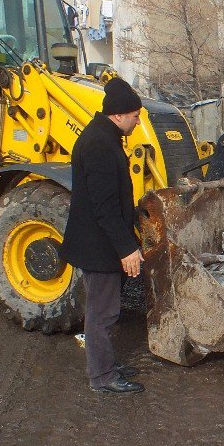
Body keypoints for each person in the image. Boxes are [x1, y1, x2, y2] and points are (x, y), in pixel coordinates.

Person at [61, 77, 146, 395]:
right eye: (136, 116)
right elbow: (103, 206)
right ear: (120, 114)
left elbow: (114, 198)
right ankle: (102, 376)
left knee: (104, 309)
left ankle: (105, 363)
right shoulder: (99, 144)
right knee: (102, 313)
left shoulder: (105, 137)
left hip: (102, 242)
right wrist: (126, 248)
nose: (138, 122)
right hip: (100, 246)